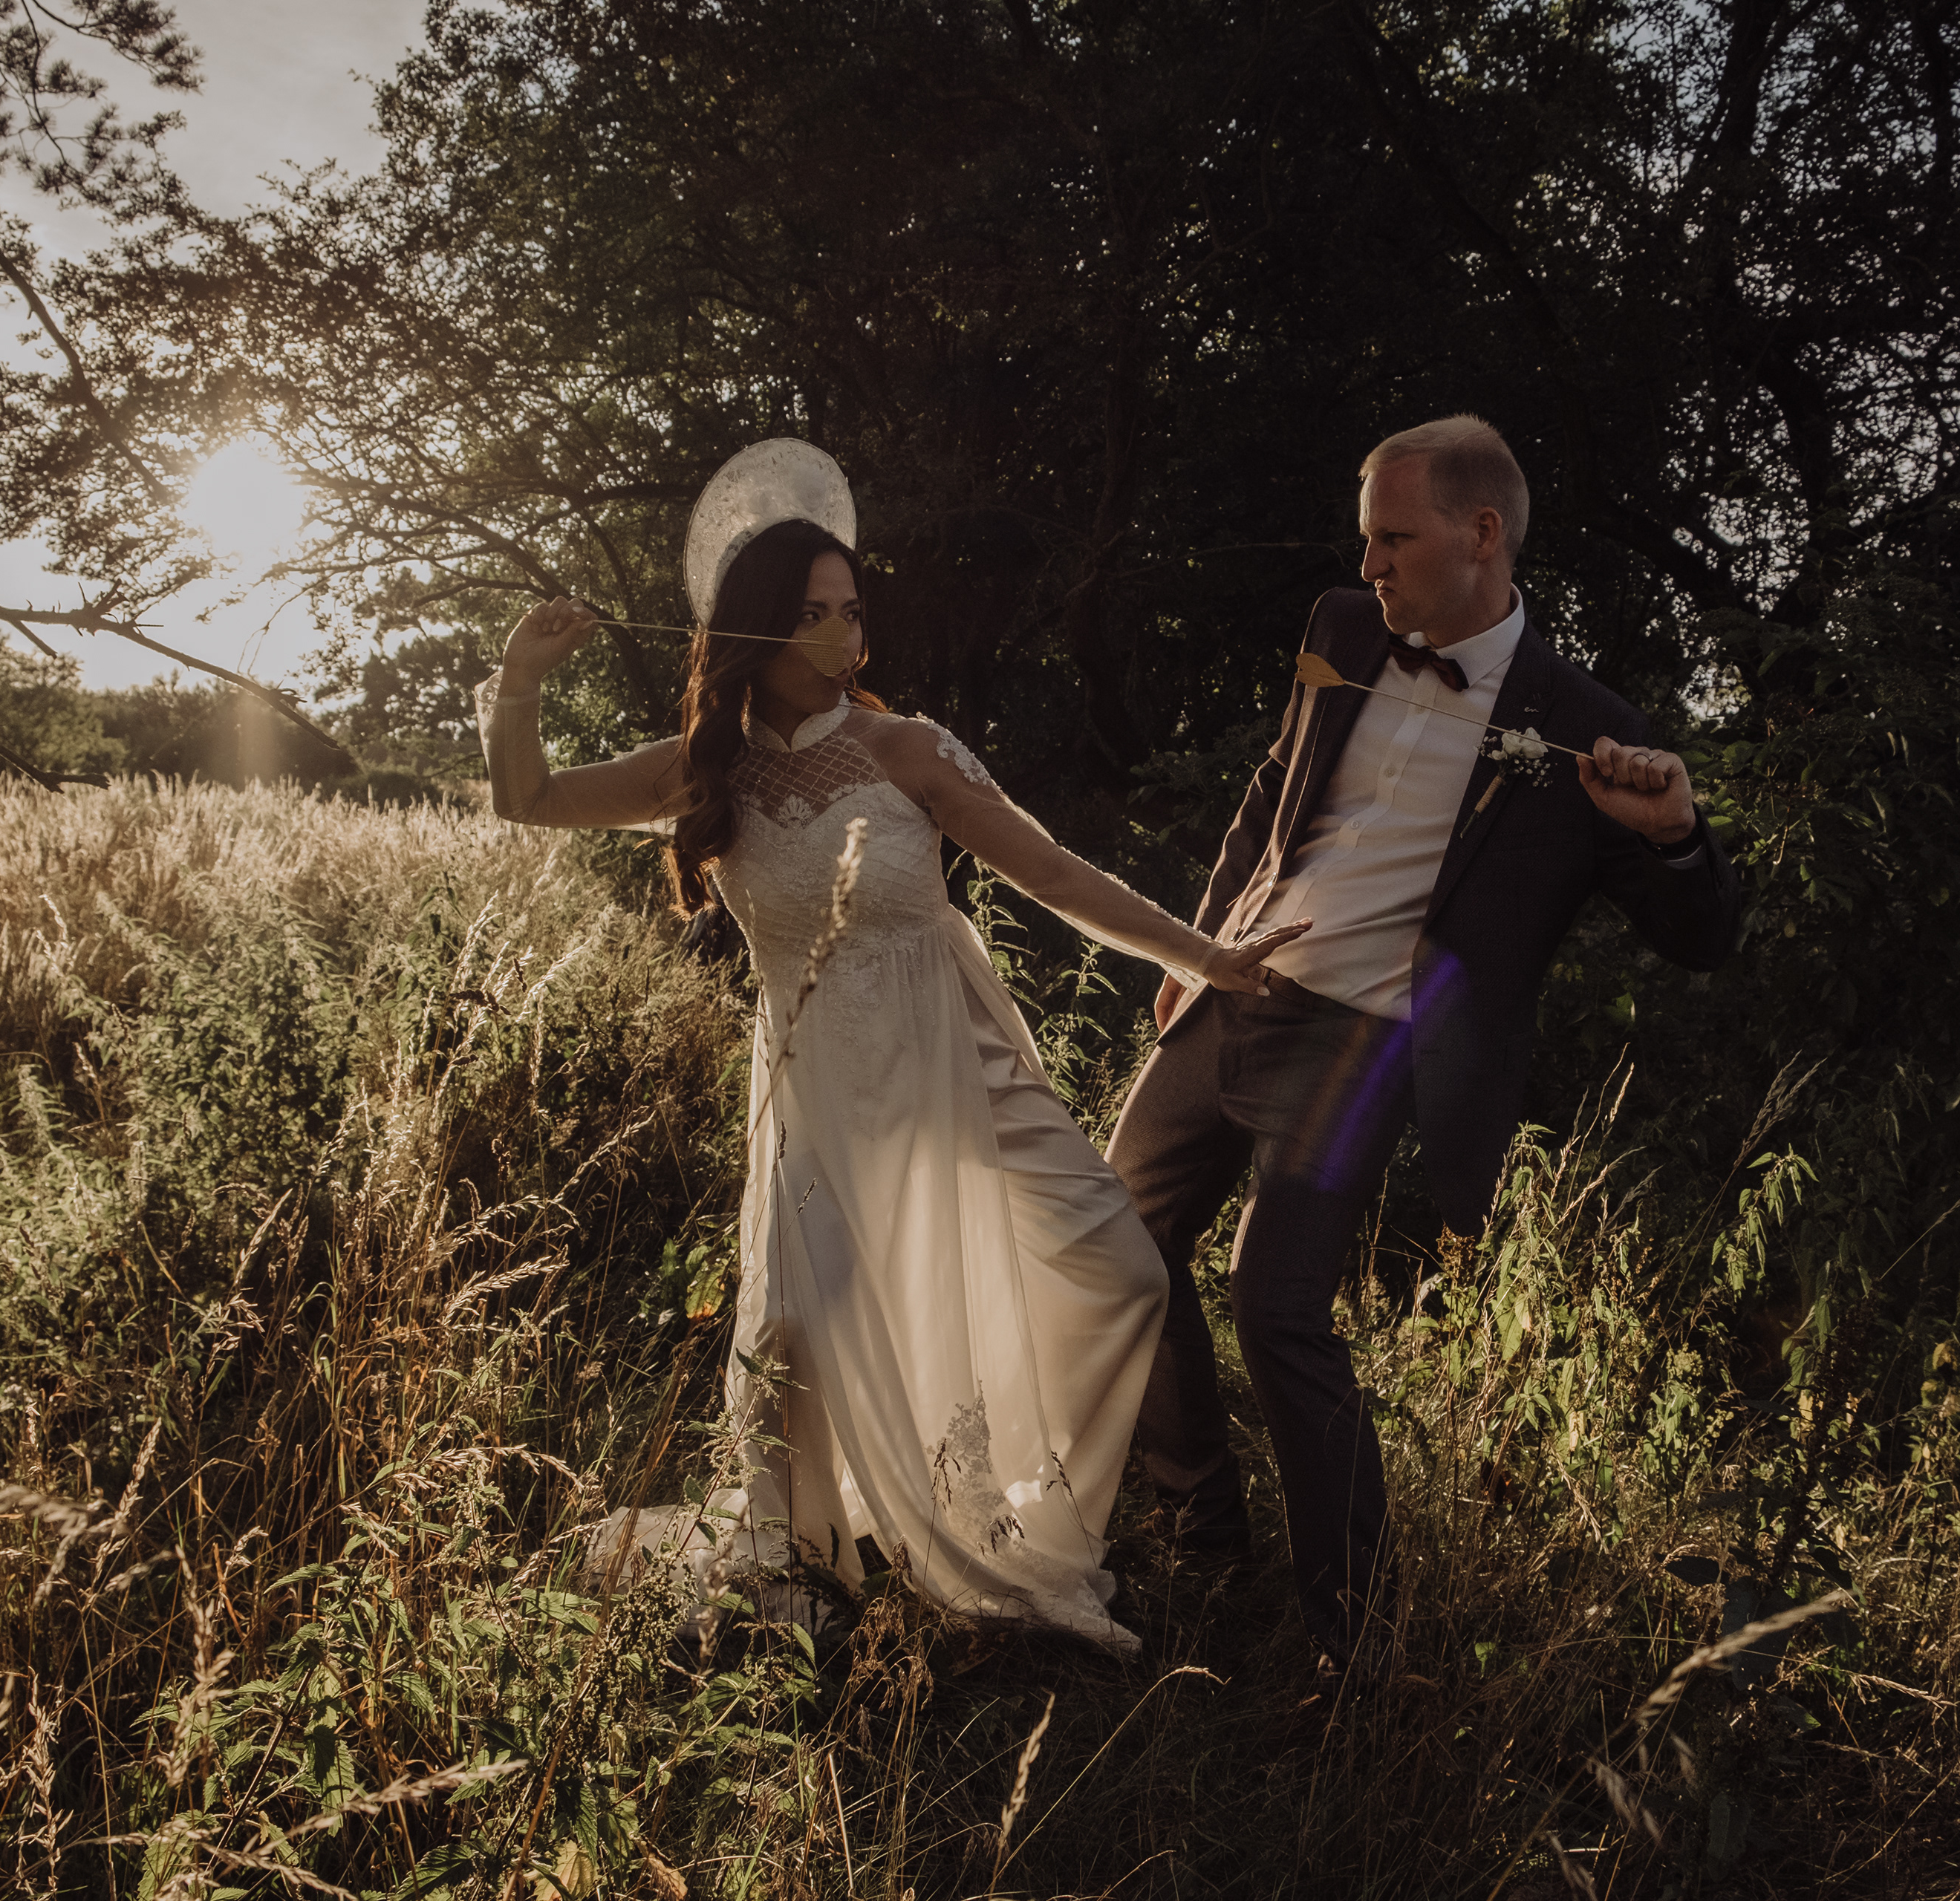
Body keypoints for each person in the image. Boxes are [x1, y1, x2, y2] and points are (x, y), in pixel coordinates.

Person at [479, 506, 1302, 1653]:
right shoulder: (705, 766)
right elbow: (528, 797)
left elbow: (1055, 875)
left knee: (1120, 1267)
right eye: (812, 612)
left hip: (958, 1057)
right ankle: (811, 1562)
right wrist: (521, 678)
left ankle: (1024, 1504)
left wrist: (1205, 957)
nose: (843, 634)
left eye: (852, 610)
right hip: (816, 1081)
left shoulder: (906, 749)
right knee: (800, 1333)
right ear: (757, 630)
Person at [1106, 415, 1743, 1680]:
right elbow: (1272, 793)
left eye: (1394, 539)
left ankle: (1358, 1638)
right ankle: (1201, 1530)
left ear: (1481, 532)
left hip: (1362, 1041)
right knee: (1113, 1239)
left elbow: (1704, 940)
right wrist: (1195, 945)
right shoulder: (1343, 628)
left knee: (1276, 1308)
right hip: (1234, 984)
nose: (1372, 565)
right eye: (1368, 541)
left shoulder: (1586, 729)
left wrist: (1675, 833)